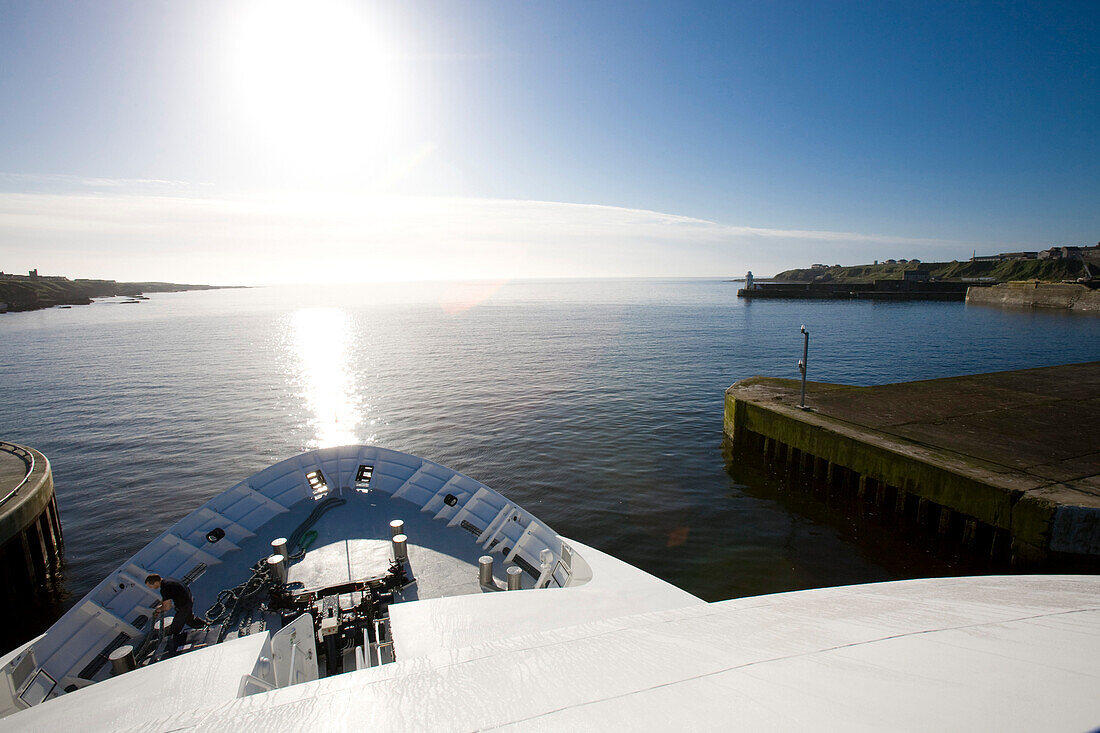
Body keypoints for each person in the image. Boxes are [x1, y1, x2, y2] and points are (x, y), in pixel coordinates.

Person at [145, 573, 206, 656]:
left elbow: (167, 607)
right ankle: (206, 626)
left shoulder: (164, 588)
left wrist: (158, 609)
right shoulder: (168, 580)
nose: (151, 588)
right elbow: (168, 597)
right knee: (189, 619)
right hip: (189, 598)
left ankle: (171, 653)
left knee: (174, 631)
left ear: (155, 583)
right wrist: (162, 605)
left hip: (184, 606)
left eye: (150, 586)